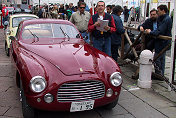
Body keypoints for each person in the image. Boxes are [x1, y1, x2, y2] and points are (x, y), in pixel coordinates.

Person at [146, 5, 172, 77]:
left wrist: (151, 32)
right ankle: (161, 74)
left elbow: (160, 30)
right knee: (161, 58)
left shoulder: (166, 19)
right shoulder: (164, 18)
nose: (158, 12)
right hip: (162, 42)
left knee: (157, 58)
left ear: (163, 10)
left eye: (159, 11)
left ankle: (159, 74)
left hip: (162, 42)